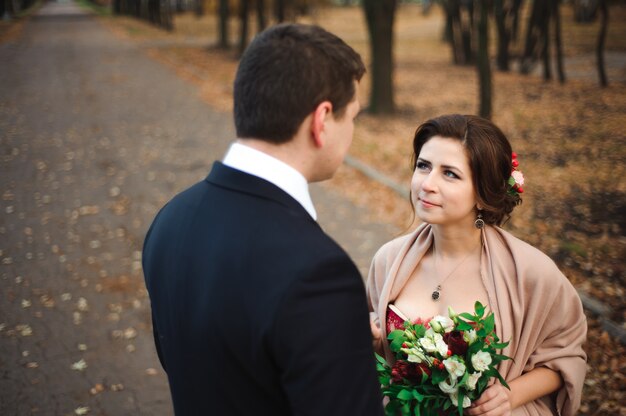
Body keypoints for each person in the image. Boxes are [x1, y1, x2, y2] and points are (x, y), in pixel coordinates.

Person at [142, 23, 384, 416]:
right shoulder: (320, 274)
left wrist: (335, 343)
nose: (352, 132)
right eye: (352, 117)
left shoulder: (171, 220)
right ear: (321, 120)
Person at [367, 114, 587, 415]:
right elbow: (384, 365)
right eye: (423, 166)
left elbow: (565, 356)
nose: (427, 184)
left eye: (450, 174)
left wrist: (511, 395)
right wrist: (378, 343)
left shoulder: (530, 272)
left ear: (483, 194)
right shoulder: (388, 261)